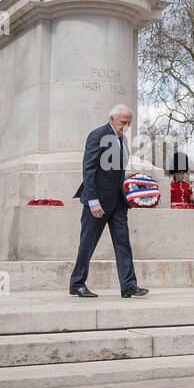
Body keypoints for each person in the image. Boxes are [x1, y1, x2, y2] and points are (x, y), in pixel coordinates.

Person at [69, 105, 147, 298]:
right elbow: (89, 169)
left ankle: (129, 285)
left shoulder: (121, 139)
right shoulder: (97, 135)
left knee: (123, 243)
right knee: (88, 243)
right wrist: (93, 201)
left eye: (129, 123)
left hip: (118, 202)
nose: (126, 126)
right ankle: (77, 283)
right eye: (123, 122)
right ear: (112, 119)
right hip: (98, 202)